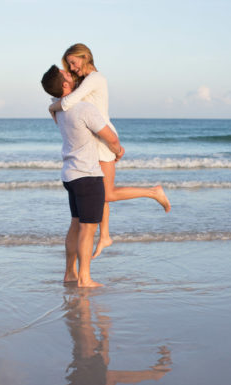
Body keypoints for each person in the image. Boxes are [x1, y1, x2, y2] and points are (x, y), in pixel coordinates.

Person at [49, 43, 171, 259]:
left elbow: (66, 103)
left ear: (85, 56)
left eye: (73, 62)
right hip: (93, 139)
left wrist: (52, 107)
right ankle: (105, 235)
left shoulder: (96, 79)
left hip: (103, 139)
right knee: (99, 193)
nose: (72, 67)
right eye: (68, 64)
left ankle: (153, 192)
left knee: (106, 193)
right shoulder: (83, 82)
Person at [41, 64, 124, 288]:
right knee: (88, 229)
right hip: (88, 175)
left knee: (75, 225)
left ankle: (70, 273)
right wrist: (117, 151)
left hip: (70, 176)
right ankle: (85, 278)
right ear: (66, 85)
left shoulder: (57, 109)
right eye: (67, 74)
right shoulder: (84, 109)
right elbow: (110, 137)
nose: (72, 73)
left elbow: (55, 106)